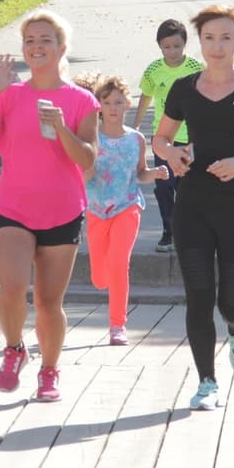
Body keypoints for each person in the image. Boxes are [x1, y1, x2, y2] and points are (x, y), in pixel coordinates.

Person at [152, 5, 234, 411]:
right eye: (209, 38)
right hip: (193, 205)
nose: (217, 46)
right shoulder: (184, 88)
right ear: (200, 41)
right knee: (198, 295)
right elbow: (160, 139)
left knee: (232, 302)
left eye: (226, 37)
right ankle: (206, 382)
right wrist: (173, 155)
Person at [0, 10, 98, 402]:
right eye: (30, 41)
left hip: (62, 211)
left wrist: (61, 128)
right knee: (12, 287)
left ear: (61, 48)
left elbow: (88, 159)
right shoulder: (11, 95)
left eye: (45, 40)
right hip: (14, 210)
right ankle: (14, 349)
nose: (37, 47)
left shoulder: (81, 100)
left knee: (48, 302)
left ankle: (49, 371)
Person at [75, 72, 169, 346]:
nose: (113, 108)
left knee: (119, 264)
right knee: (99, 277)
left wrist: (155, 174)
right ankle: (104, 281)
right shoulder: (90, 138)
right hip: (97, 209)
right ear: (98, 106)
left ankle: (118, 325)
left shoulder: (136, 139)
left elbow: (139, 173)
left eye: (118, 102)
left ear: (127, 103)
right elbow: (79, 173)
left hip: (128, 206)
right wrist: (86, 172)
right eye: (107, 103)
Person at [132, 19, 204, 252]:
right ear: (159, 46)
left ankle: (189, 233)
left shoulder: (196, 68)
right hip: (163, 139)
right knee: (164, 185)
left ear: (185, 44)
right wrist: (136, 125)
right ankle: (168, 231)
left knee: (187, 187)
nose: (172, 52)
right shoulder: (154, 70)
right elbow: (146, 96)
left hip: (189, 137)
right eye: (167, 47)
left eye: (177, 46)